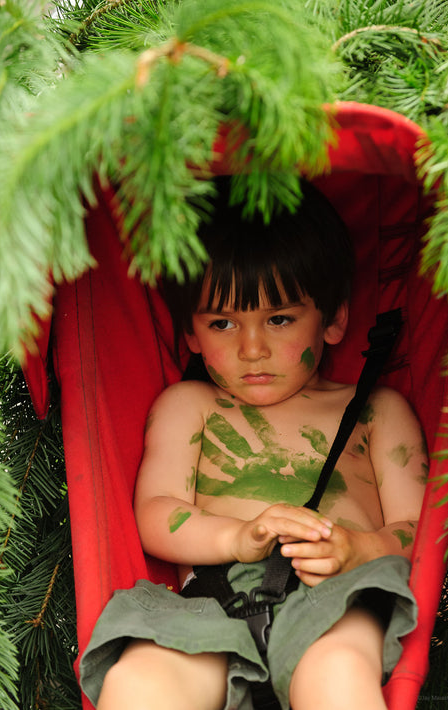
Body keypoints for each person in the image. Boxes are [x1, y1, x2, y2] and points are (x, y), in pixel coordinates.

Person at [79, 178, 426, 710]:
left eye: (279, 318)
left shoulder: (375, 412)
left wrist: (360, 549)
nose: (252, 348)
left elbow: (417, 530)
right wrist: (238, 538)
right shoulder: (188, 405)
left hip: (335, 597)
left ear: (333, 320)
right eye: (222, 322)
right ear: (191, 334)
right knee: (138, 681)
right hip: (208, 605)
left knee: (336, 671)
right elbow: (156, 512)